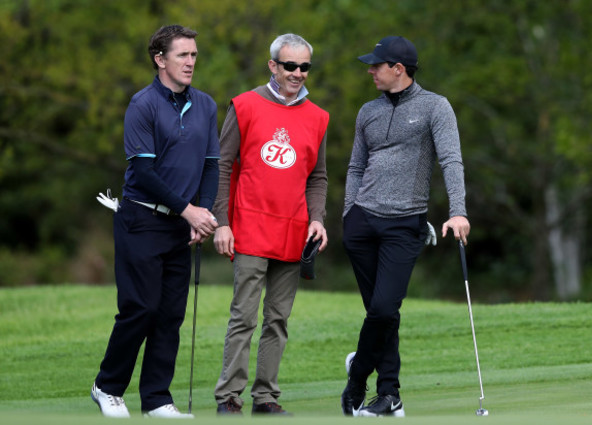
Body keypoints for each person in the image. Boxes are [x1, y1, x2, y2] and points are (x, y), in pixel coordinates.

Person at [91, 25, 219, 419]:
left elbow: (212, 165)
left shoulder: (206, 105)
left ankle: (157, 399)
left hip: (181, 225)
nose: (191, 62)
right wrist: (189, 210)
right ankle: (107, 386)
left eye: (194, 55)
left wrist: (204, 214)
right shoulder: (142, 104)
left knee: (169, 315)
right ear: (160, 59)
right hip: (141, 220)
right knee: (140, 308)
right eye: (182, 55)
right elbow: (144, 173)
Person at [340, 36, 471, 417]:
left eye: (377, 65)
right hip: (362, 222)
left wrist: (458, 211)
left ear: (398, 69)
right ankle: (389, 395)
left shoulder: (435, 107)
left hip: (404, 224)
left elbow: (451, 160)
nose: (370, 70)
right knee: (382, 315)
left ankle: (356, 377)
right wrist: (349, 214)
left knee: (383, 308)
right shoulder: (368, 111)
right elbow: (355, 166)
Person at [211, 33, 329, 416]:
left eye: (304, 66)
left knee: (277, 319)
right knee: (243, 316)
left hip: (294, 232)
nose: (297, 73)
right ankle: (229, 396)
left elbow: (318, 177)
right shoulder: (244, 105)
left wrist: (317, 219)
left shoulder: (318, 117)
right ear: (273, 66)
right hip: (248, 228)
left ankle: (266, 398)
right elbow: (222, 165)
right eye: (290, 65)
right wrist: (222, 223)